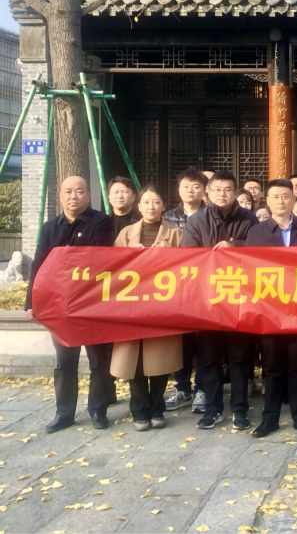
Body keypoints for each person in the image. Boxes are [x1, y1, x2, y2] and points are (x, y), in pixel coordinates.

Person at [26, 176, 114, 433]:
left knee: (99, 360)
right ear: (60, 196)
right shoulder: (49, 228)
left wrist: (61, 257)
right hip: (60, 306)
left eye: (79, 191)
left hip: (92, 303)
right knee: (65, 362)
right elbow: (39, 264)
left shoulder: (101, 222)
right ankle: (64, 413)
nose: (73, 196)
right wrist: (30, 301)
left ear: (88, 195)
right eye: (68, 191)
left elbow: (94, 259)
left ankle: (97, 410)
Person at [181, 170, 258, 430]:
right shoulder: (197, 220)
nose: (222, 194)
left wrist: (235, 248)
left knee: (239, 357)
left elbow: (260, 250)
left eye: (227, 190)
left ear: (235, 193)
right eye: (217, 189)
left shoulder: (249, 218)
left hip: (240, 299)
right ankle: (213, 409)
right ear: (208, 192)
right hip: (207, 300)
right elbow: (188, 256)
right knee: (209, 358)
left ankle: (239, 409)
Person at [245, 179, 297, 438]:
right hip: (270, 311)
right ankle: (270, 419)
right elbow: (249, 270)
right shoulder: (256, 232)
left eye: (285, 196)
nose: (281, 201)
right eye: (275, 197)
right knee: (272, 368)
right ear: (267, 201)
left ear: (293, 199)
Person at [111, 186, 182, 431]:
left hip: (163, 306)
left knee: (160, 359)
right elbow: (111, 267)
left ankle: (157, 407)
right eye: (146, 202)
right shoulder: (126, 233)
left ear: (164, 206)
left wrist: (169, 255)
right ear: (139, 206)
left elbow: (188, 268)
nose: (151, 206)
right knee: (135, 360)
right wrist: (129, 256)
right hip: (131, 305)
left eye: (156, 202)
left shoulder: (176, 234)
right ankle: (139, 410)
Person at [163, 169, 209, 412]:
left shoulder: (211, 216)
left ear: (204, 190)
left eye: (196, 186)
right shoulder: (167, 218)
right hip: (176, 290)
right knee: (180, 341)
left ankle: (201, 388)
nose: (190, 190)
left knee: (203, 342)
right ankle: (182, 388)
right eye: (186, 186)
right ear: (178, 190)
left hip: (205, 290)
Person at [107, 175, 141, 241]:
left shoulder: (141, 220)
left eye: (124, 192)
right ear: (109, 198)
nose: (120, 196)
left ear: (133, 197)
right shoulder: (103, 222)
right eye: (116, 192)